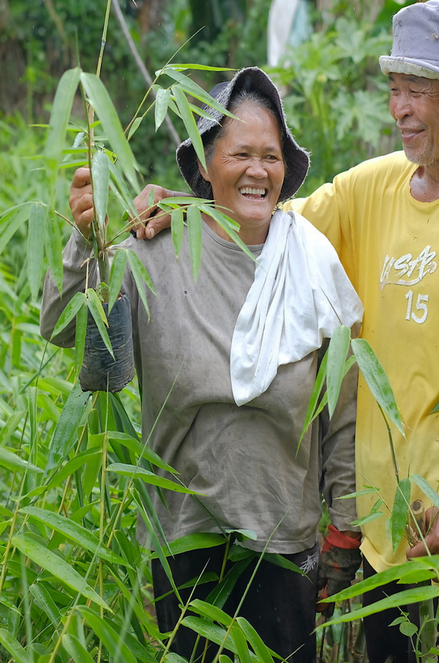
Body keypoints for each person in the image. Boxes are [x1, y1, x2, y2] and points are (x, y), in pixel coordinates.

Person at [132, 0, 439, 663]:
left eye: (418, 90)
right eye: (395, 89)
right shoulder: (374, 188)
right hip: (382, 543)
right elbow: (260, 214)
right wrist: (180, 204)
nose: (400, 109)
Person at [41, 67, 364, 663]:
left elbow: (340, 412)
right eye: (240, 153)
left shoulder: (310, 264)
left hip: (283, 541)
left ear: (286, 171)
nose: (257, 171)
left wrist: (343, 525)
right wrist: (87, 242)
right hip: (184, 536)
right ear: (205, 164)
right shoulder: (153, 250)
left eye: (271, 156)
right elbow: (77, 342)